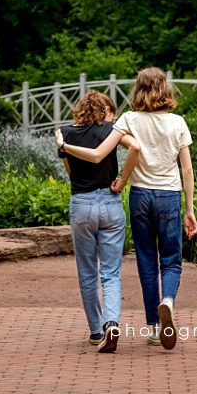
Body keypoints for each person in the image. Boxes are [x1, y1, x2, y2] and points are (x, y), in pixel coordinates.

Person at [57, 67, 197, 351]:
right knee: (170, 259)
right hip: (169, 195)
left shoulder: (128, 119)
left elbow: (99, 154)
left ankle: (154, 328)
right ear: (165, 88)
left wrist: (121, 180)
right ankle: (167, 300)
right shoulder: (178, 122)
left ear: (138, 90)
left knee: (146, 260)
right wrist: (190, 209)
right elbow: (187, 169)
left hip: (139, 196)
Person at [56, 90, 141, 353]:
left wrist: (64, 147)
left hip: (81, 204)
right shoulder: (111, 130)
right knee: (111, 273)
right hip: (110, 202)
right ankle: (111, 322)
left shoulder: (66, 134)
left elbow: (70, 170)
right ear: (104, 111)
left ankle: (95, 331)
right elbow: (136, 148)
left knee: (87, 272)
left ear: (80, 108)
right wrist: (123, 179)